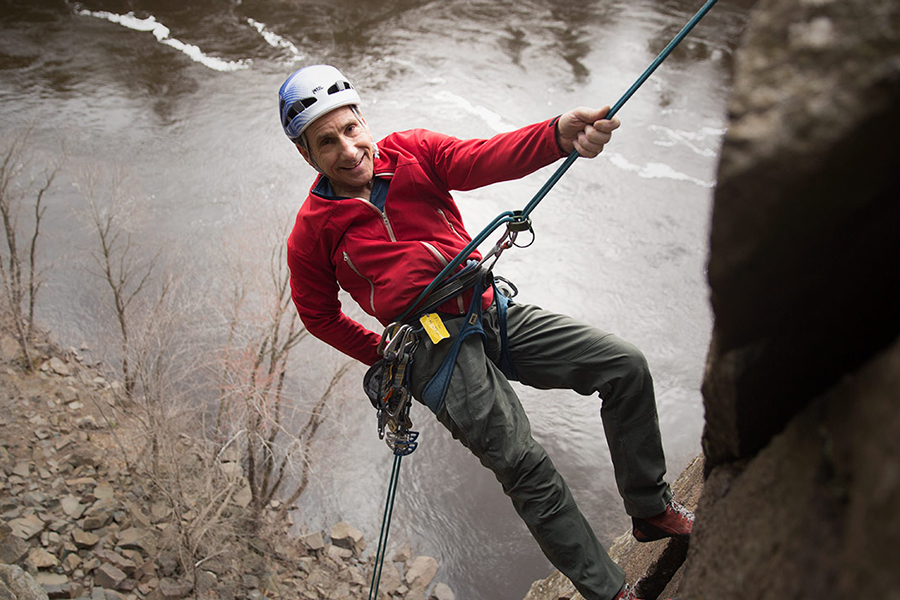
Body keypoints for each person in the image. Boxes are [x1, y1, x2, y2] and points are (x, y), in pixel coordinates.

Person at [280, 64, 693, 600]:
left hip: (487, 305)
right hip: (430, 347)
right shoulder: (312, 232)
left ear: (364, 121)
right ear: (307, 155)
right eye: (327, 141)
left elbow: (481, 158)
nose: (349, 149)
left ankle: (650, 507)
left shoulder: (413, 152)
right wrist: (382, 350)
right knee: (525, 463)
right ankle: (611, 592)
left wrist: (555, 136)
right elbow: (317, 313)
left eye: (351, 129)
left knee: (622, 365)